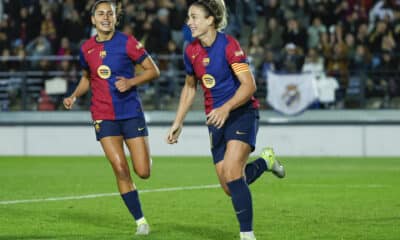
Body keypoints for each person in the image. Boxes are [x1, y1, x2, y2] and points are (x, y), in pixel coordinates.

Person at [165, 1, 285, 239]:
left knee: (232, 172)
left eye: (194, 17)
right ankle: (265, 161)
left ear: (210, 20)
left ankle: (247, 234)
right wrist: (178, 121)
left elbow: (249, 85)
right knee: (231, 187)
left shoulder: (229, 45)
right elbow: (190, 88)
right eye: (189, 17)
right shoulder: (190, 50)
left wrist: (227, 107)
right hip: (216, 120)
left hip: (241, 113)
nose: (189, 22)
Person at [63, 0, 160, 236]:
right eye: (100, 14)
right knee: (119, 168)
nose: (105, 17)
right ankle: (140, 221)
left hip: (130, 113)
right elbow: (87, 78)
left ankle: (144, 157)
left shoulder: (128, 42)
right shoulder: (86, 48)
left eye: (110, 14)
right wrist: (74, 95)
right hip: (103, 115)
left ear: (116, 18)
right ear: (93, 20)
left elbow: (153, 70)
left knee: (143, 171)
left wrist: (131, 82)